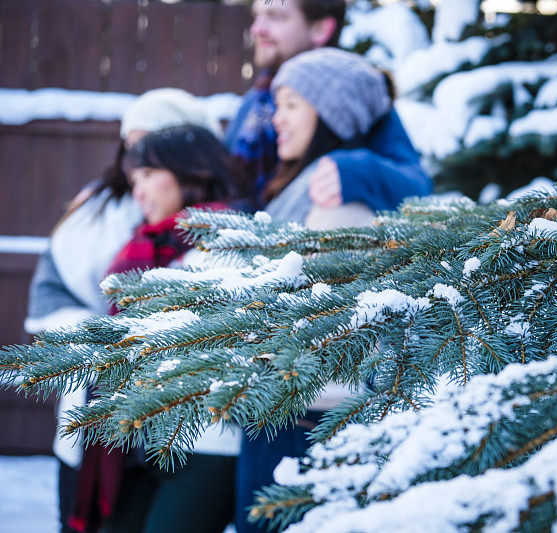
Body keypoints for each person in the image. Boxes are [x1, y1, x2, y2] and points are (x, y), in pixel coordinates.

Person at [25, 87, 226, 533]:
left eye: (151, 148)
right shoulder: (99, 209)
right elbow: (51, 294)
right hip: (99, 411)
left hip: (177, 430)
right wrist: (102, 340)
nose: (138, 161)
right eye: (131, 147)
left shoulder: (221, 231)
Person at [235, 47, 408, 532]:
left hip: (304, 417)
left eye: (291, 105)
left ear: (331, 114)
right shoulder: (306, 185)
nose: (276, 120)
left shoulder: (336, 202)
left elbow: (313, 322)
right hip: (295, 410)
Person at [71, 125, 244, 533]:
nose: (139, 191)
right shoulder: (149, 245)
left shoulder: (229, 243)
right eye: (134, 180)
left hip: (205, 447)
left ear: (191, 170)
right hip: (142, 441)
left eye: (148, 174)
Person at [225, 0, 431, 213]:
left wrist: (361, 172)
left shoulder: (354, 100)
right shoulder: (254, 103)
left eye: (276, 16)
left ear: (321, 29)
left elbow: (418, 189)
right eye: (257, 16)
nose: (257, 29)